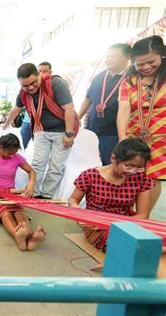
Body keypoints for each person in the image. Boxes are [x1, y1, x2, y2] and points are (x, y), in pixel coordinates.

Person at [2, 63, 79, 199]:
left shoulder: (55, 83)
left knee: (56, 166)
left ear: (39, 75)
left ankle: (47, 196)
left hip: (62, 132)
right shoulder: (23, 92)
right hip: (40, 131)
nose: (30, 88)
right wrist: (6, 124)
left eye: (33, 82)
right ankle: (34, 193)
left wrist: (69, 133)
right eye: (26, 85)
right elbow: (17, 108)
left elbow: (69, 109)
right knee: (37, 164)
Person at [69, 138, 153, 252]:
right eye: (129, 166)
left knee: (155, 238)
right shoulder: (90, 175)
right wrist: (80, 214)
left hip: (127, 223)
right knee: (117, 242)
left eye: (139, 168)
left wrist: (115, 223)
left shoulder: (141, 179)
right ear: (113, 158)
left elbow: (143, 215)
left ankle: (150, 248)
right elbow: (73, 199)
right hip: (96, 226)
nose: (133, 171)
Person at [117, 35, 165, 211]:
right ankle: (127, 213)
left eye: (151, 62)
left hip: (162, 139)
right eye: (140, 64)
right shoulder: (129, 81)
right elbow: (123, 109)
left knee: (153, 177)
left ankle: (143, 216)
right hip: (135, 135)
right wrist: (123, 137)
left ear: (162, 56)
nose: (145, 67)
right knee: (130, 172)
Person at [78, 43, 131, 165]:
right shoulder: (99, 77)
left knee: (110, 164)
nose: (109, 59)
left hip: (113, 133)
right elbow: (87, 99)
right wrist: (77, 118)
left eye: (113, 56)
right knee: (89, 163)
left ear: (126, 58)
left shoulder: (131, 78)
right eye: (107, 56)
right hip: (92, 130)